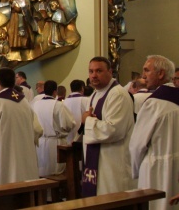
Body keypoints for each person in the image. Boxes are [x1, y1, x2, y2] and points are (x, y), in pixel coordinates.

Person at [0, 67, 43, 186]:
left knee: (5, 189)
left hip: (3, 157)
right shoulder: (25, 103)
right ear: (14, 82)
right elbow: (37, 129)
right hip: (25, 158)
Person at [80, 56, 135, 197]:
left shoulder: (118, 95)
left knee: (112, 199)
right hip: (98, 161)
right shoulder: (94, 94)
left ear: (110, 72)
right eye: (91, 71)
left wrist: (88, 121)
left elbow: (114, 130)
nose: (94, 75)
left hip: (113, 162)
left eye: (99, 71)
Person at [130, 59, 179, 210]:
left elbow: (137, 145)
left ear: (161, 73)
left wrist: (136, 169)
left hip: (155, 169)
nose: (143, 75)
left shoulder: (154, 103)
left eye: (147, 70)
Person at [32, 80, 75, 177]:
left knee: (41, 173)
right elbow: (69, 124)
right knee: (56, 174)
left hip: (40, 143)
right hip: (55, 143)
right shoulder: (58, 105)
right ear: (55, 92)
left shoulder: (35, 104)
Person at [64, 79, 90, 144]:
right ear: (82, 88)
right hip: (83, 136)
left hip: (67, 137)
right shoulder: (86, 100)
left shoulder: (64, 102)